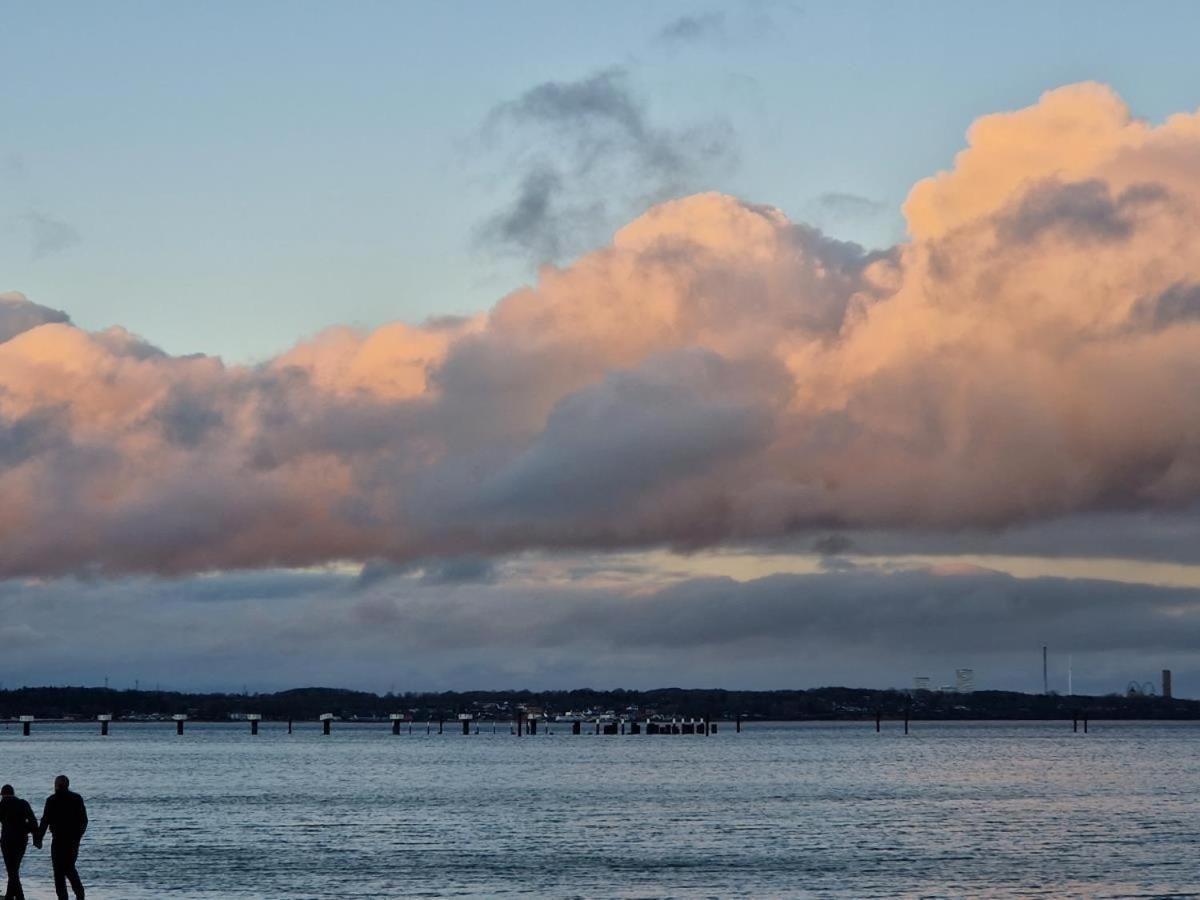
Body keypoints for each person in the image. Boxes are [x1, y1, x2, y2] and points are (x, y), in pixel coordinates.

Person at [37, 776, 87, 900]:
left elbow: (45, 821)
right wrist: (78, 835)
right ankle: (80, 894)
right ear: (67, 785)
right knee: (69, 867)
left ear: (56, 785)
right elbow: (84, 820)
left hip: (58, 839)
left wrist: (38, 838)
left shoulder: (52, 800)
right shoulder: (76, 798)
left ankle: (63, 897)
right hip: (72, 840)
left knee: (58, 872)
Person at [0, 784, 38, 900]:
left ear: (3, 794)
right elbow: (33, 823)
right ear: (13, 793)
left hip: (7, 840)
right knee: (14, 869)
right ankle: (11, 896)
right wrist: (33, 835)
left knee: (12, 870)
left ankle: (18, 896)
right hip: (21, 839)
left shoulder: (1, 805)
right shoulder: (23, 803)